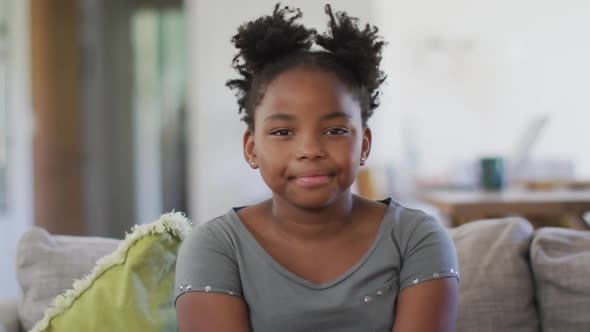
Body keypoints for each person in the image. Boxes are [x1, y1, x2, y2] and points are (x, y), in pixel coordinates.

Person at [175, 4, 459, 332]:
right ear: (252, 148)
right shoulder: (215, 248)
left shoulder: (417, 239)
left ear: (364, 144)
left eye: (335, 130)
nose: (310, 150)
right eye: (283, 132)